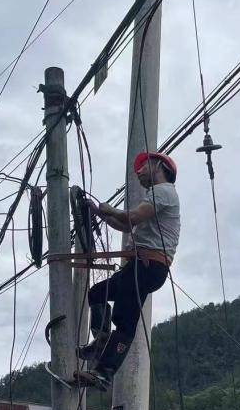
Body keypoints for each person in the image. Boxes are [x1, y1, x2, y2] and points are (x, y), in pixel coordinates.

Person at [75, 151, 180, 390]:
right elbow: (124, 224)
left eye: (143, 167)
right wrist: (100, 212)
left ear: (159, 165)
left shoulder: (164, 192)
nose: (139, 173)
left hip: (147, 265)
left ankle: (103, 363)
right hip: (143, 267)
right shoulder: (158, 195)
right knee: (102, 298)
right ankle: (102, 356)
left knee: (119, 316)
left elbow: (132, 217)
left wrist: (107, 209)